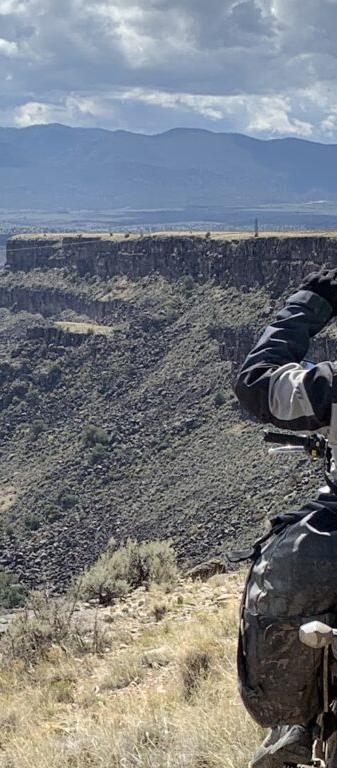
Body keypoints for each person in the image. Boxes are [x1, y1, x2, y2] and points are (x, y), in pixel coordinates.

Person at [234, 268, 337, 768]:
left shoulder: (329, 385)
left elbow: (257, 384)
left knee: (292, 568)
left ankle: (295, 728)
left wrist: (311, 302)